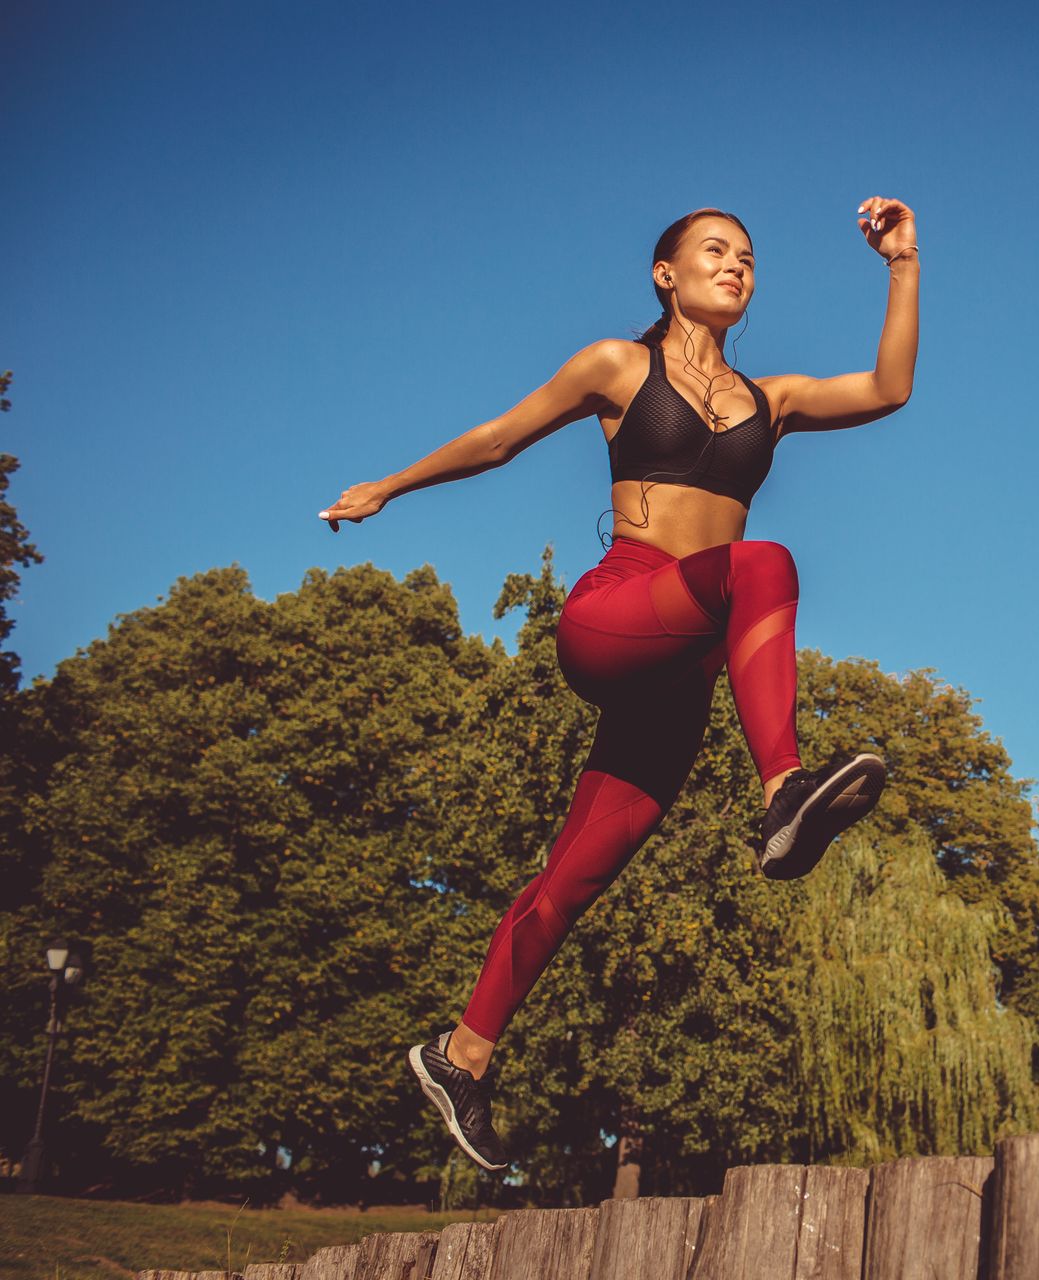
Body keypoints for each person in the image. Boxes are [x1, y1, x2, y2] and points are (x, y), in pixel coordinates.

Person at [317, 198, 919, 1172]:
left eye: (749, 259)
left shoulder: (776, 399)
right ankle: (785, 794)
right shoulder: (618, 367)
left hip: (679, 674)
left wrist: (903, 263)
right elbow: (500, 437)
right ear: (665, 274)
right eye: (715, 251)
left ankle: (460, 1052)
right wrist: (392, 483)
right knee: (763, 563)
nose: (737, 267)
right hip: (616, 612)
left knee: (573, 878)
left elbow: (890, 386)